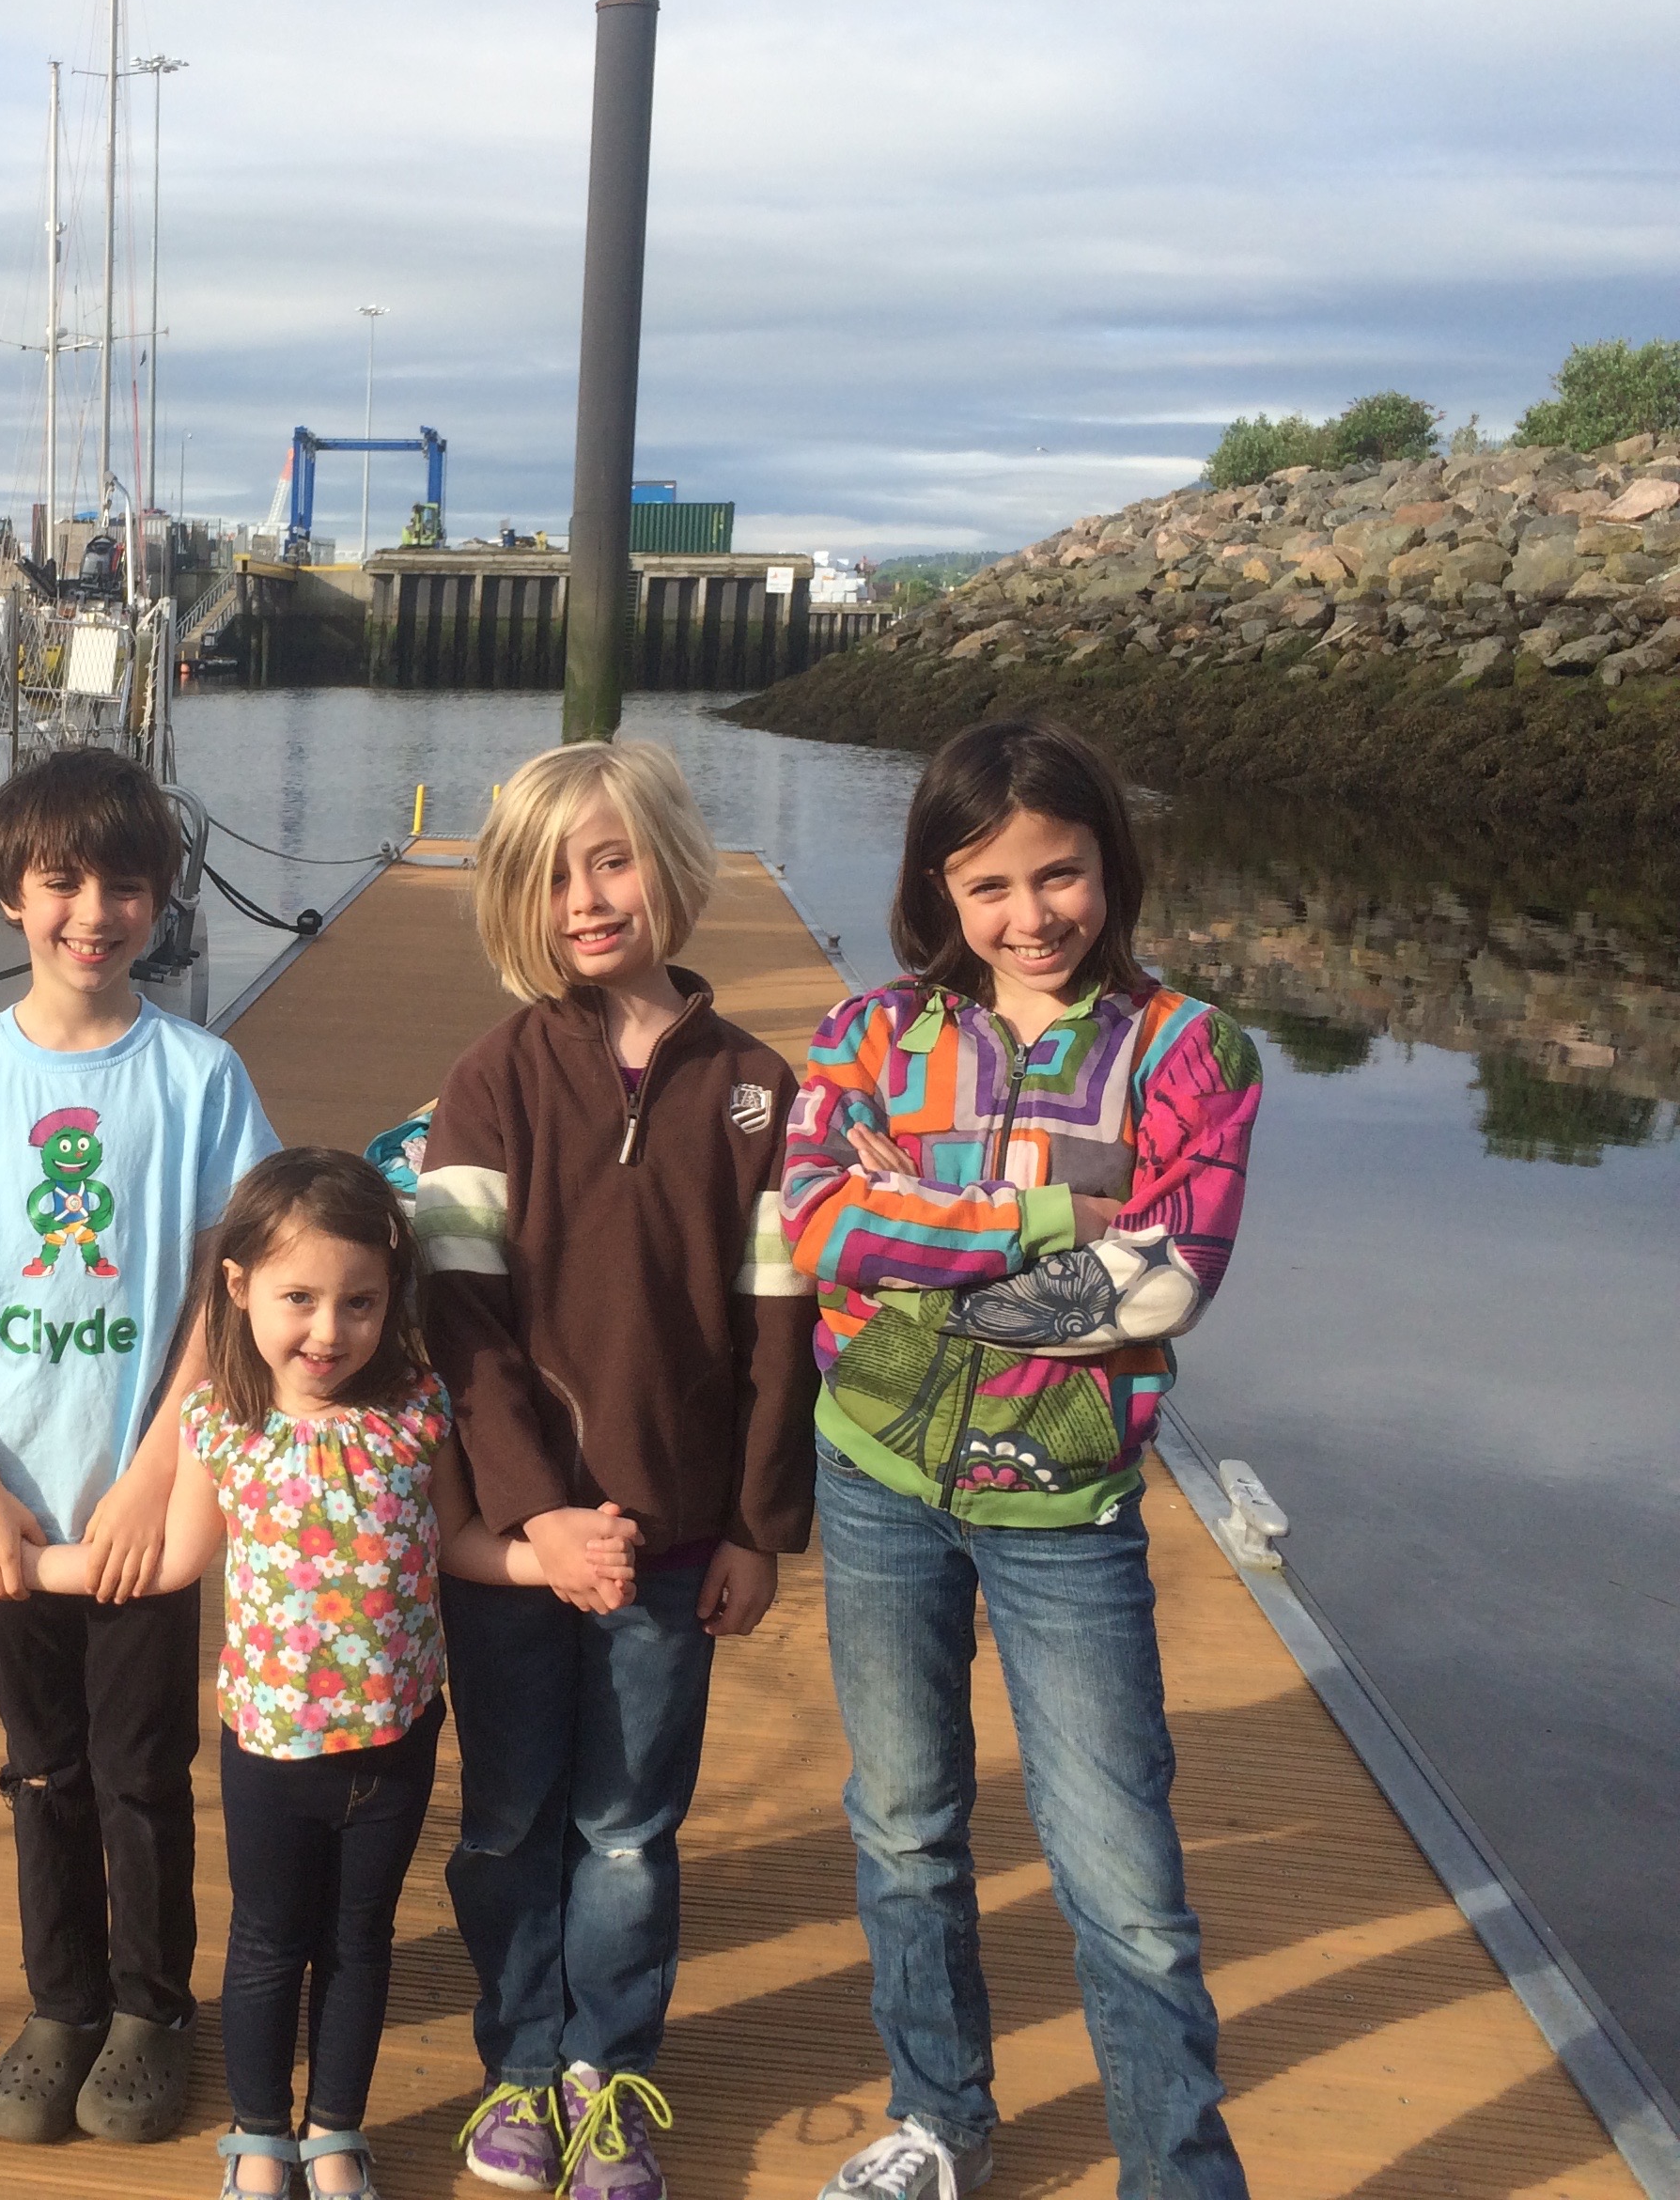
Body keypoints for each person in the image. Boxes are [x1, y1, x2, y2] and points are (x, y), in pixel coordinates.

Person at [0, 1146, 641, 2199]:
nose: (329, 1330)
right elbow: (168, 1561)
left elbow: (459, 1541)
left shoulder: (419, 1411)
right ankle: (258, 2135)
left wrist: (547, 1562)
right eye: (300, 1299)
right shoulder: (219, 1426)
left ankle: (334, 2132)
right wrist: (28, 1565)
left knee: (359, 1943)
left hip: (395, 1743)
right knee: (269, 1945)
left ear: (391, 1298)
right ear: (238, 1289)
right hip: (271, 1754)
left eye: (359, 1302)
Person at [782, 718, 1263, 2200]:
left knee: (1123, 1876)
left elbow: (1166, 1281)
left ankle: (1178, 2174)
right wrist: (1050, 1225)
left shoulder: (1192, 1051)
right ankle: (940, 2119)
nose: (1031, 915)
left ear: (1111, 865)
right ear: (938, 886)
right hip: (878, 1478)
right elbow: (820, 1229)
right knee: (904, 1824)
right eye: (988, 885)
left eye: (1060, 874)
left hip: (1068, 1505)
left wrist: (925, 1245)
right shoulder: (867, 1036)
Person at [414, 740, 820, 2200]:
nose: (586, 898)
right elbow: (459, 1320)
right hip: (522, 1553)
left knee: (631, 1829)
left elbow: (782, 1334)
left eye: (612, 859)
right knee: (510, 1821)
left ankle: (609, 2072)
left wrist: (759, 1528)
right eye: (551, 875)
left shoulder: (759, 1092)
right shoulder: (492, 1082)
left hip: (673, 1543)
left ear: (671, 866)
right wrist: (535, 1515)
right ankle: (521, 2065)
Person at [0, 744, 281, 2148]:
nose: (92, 914)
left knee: (141, 1767)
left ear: (159, 900)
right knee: (40, 1762)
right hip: (12, 1509)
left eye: (124, 886)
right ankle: (64, 2000)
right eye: (61, 883)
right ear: (13, 893)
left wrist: (160, 1474)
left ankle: (154, 2009)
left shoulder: (201, 1077)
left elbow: (226, 1294)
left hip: (144, 1503)